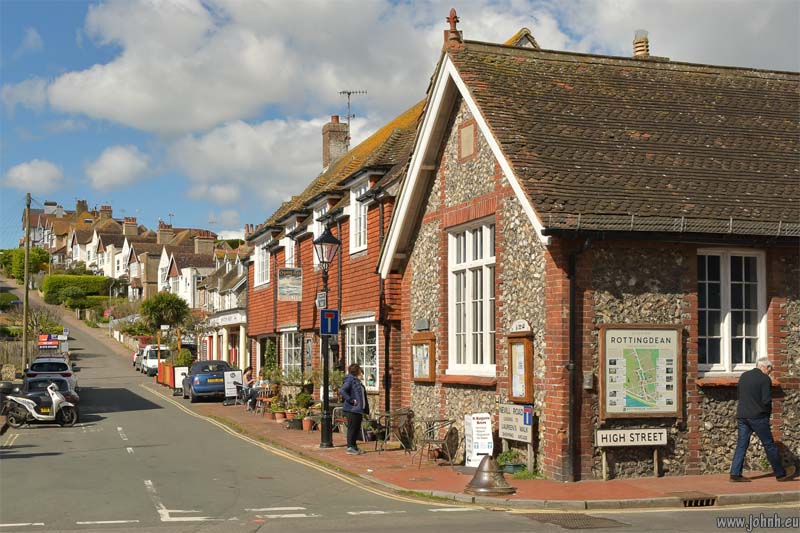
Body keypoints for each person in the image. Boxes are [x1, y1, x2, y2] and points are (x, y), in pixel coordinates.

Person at [730, 358, 796, 482]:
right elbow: (766, 400)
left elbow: (740, 395)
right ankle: (780, 474)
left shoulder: (744, 376)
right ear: (765, 367)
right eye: (770, 369)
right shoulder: (765, 379)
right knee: (769, 445)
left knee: (741, 444)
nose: (770, 372)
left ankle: (735, 473)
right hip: (758, 417)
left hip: (742, 415)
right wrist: (767, 415)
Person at [340, 363, 369, 455]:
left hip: (358, 410)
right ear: (357, 370)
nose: (361, 371)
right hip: (352, 409)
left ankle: (354, 447)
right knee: (352, 429)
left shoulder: (356, 380)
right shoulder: (350, 380)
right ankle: (350, 447)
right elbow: (343, 391)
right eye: (360, 370)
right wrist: (351, 400)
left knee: (356, 429)